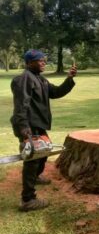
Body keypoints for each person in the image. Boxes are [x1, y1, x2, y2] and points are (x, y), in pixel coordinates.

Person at [10, 49, 77, 212]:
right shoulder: (24, 79)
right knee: (32, 159)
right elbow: (21, 106)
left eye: (44, 60)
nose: (43, 63)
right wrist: (24, 128)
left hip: (38, 124)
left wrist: (69, 78)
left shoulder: (40, 79)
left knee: (43, 153)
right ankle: (28, 199)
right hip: (29, 126)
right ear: (29, 63)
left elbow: (56, 92)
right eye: (39, 60)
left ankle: (36, 177)